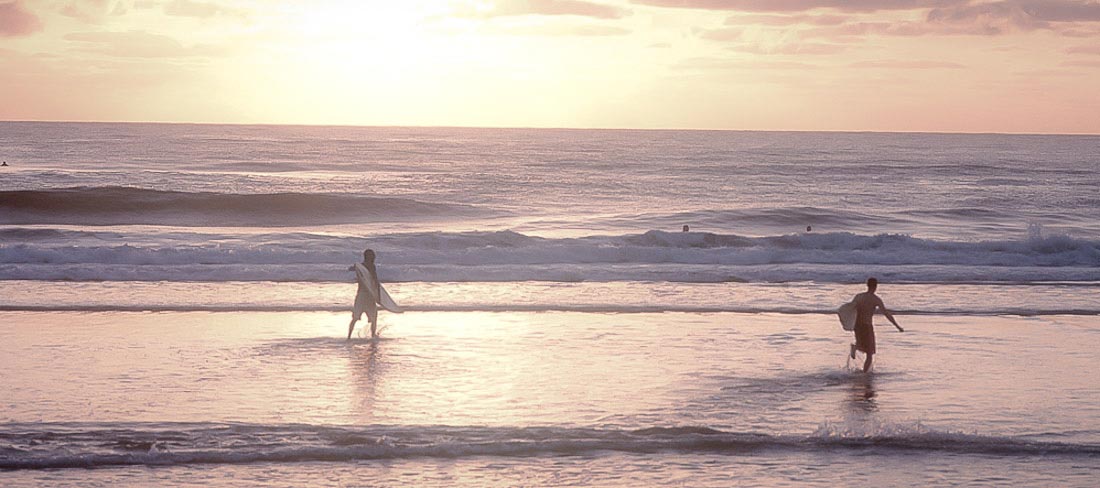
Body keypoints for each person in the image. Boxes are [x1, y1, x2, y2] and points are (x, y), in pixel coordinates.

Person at [849, 277, 903, 372]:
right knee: (869, 353)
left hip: (857, 325)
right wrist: (897, 326)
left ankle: (855, 347)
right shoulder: (875, 299)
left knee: (862, 344)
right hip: (867, 326)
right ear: (876, 286)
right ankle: (865, 373)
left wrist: (849, 324)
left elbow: (850, 309)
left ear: (867, 285)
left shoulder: (859, 296)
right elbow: (886, 313)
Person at [347, 249, 381, 339]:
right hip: (368, 295)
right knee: (372, 318)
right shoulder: (370, 267)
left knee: (356, 318)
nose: (374, 258)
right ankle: (372, 336)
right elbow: (375, 281)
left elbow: (350, 269)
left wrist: (355, 267)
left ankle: (349, 337)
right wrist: (378, 295)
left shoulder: (361, 266)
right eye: (372, 256)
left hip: (363, 295)